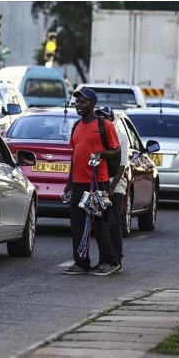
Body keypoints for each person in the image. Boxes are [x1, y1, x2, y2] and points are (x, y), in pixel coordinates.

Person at [62, 88, 122, 276]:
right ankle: (81, 263)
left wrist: (101, 153)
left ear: (93, 104)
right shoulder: (76, 126)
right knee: (77, 223)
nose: (79, 105)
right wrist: (69, 182)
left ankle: (109, 261)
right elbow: (75, 155)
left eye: (83, 102)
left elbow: (116, 151)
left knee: (99, 223)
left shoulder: (105, 125)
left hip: (98, 182)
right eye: (77, 102)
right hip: (79, 182)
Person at [95, 106, 127, 274]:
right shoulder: (97, 136)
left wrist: (113, 188)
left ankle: (117, 258)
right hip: (99, 183)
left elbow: (122, 165)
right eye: (99, 118)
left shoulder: (120, 137)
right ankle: (105, 259)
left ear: (111, 119)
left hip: (115, 183)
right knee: (100, 222)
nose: (102, 121)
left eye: (105, 118)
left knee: (114, 221)